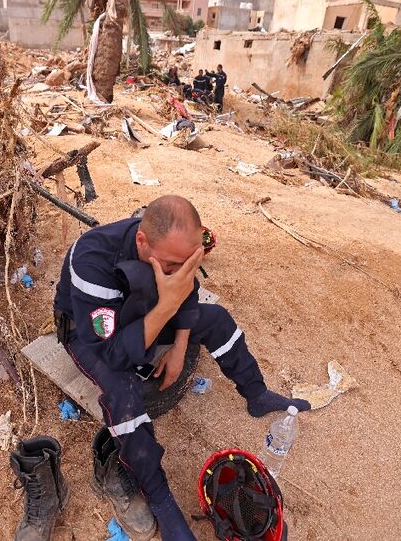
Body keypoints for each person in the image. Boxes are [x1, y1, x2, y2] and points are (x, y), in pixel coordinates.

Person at [53, 195, 311, 540]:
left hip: (145, 310)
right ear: (142, 242)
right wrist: (167, 305)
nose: (180, 270)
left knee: (216, 319)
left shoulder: (175, 252)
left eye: (187, 262)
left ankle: (257, 394)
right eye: (173, 264)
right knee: (123, 391)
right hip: (93, 334)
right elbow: (112, 352)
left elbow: (187, 290)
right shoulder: (91, 262)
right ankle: (159, 497)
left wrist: (178, 345)